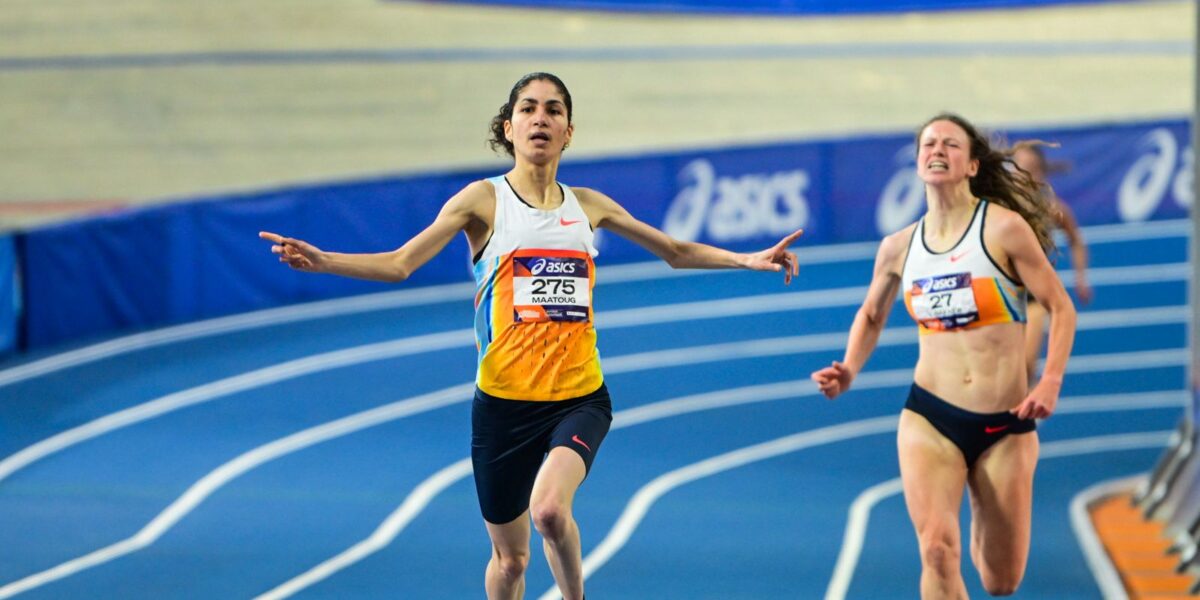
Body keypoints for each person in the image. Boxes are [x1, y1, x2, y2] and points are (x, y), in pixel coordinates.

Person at [259, 72, 802, 600]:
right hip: (501, 407)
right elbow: (402, 264)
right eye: (528, 109)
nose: (540, 118)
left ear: (568, 132)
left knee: (548, 510)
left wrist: (747, 259)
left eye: (554, 110)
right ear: (508, 128)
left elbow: (675, 252)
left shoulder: (589, 206)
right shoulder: (482, 202)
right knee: (510, 561)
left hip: (579, 398)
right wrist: (325, 260)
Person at [811, 113, 1076, 597]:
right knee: (936, 548)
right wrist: (849, 368)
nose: (937, 150)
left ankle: (980, 501)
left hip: (1005, 425)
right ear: (917, 162)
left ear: (972, 165)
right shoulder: (898, 247)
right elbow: (871, 315)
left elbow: (1061, 308)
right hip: (930, 416)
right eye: (928, 143)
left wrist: (1050, 381)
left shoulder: (1003, 230)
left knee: (1001, 579)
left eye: (950, 144)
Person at [1010, 140, 1092, 385]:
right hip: (1004, 292)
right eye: (1018, 169)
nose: (1023, 176)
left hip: (1035, 296)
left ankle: (1026, 412)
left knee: (1026, 362)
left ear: (1041, 174)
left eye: (1030, 169)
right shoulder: (1001, 209)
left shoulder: (1052, 208)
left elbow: (1076, 240)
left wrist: (1080, 277)